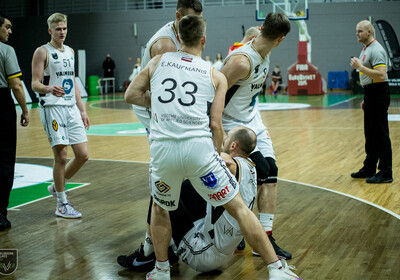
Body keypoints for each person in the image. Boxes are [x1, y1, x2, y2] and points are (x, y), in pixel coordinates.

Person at [125, 14, 301, 280]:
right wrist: (217, 150)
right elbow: (217, 124)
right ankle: (276, 269)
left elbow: (131, 96)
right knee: (239, 208)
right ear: (203, 40)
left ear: (178, 38)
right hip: (199, 150)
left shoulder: (157, 61)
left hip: (164, 151)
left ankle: (160, 269)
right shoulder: (213, 74)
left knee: (160, 209)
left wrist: (161, 104)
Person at [118, 126, 298, 274]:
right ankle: (167, 248)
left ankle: (149, 254)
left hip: (203, 253)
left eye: (226, 138)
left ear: (233, 146)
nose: (224, 139)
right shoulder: (253, 168)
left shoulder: (230, 163)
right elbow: (266, 166)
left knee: (161, 193)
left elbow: (225, 161)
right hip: (221, 251)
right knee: (186, 187)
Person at [220, 13, 292, 259]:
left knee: (270, 170)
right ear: (281, 39)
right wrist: (217, 130)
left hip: (253, 120)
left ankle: (266, 240)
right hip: (231, 123)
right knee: (240, 174)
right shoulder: (241, 61)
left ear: (262, 28)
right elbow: (214, 93)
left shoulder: (267, 53)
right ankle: (238, 229)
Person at [31, 12, 89, 219]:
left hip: (71, 108)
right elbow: (34, 83)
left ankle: (57, 186)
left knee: (83, 155)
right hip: (52, 108)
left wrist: (82, 109)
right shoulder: (42, 52)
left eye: (64, 28)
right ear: (50, 30)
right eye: (58, 29)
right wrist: (48, 89)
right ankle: (62, 204)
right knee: (62, 157)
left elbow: (72, 83)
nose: (62, 32)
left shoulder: (71, 51)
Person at [350, 20, 393, 184]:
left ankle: (386, 171)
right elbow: (370, 76)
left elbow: (381, 75)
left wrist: (360, 67)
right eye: (356, 31)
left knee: (380, 133)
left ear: (369, 32)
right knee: (371, 134)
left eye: (360, 31)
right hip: (370, 93)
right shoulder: (366, 49)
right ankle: (369, 167)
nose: (357, 34)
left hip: (378, 92)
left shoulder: (376, 50)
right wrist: (365, 98)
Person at [0, 13, 29, 231]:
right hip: (1, 105)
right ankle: (0, 213)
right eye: (7, 27)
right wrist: (25, 109)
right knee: (5, 159)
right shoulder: (6, 50)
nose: (10, 31)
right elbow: (16, 85)